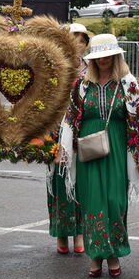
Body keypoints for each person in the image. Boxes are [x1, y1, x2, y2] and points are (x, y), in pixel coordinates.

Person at [57, 33, 139, 278]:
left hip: (118, 147)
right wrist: (65, 150)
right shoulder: (82, 84)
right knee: (92, 202)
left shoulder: (127, 83)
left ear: (116, 56)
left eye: (108, 56)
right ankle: (96, 255)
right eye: (98, 57)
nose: (103, 61)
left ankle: (114, 253)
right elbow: (70, 118)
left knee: (115, 201)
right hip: (89, 148)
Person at [47, 23, 91, 255]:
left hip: (83, 132)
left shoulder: (91, 69)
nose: (77, 45)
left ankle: (80, 233)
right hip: (56, 132)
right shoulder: (54, 69)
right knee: (59, 184)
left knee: (81, 183)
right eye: (72, 40)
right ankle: (61, 233)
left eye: (81, 41)